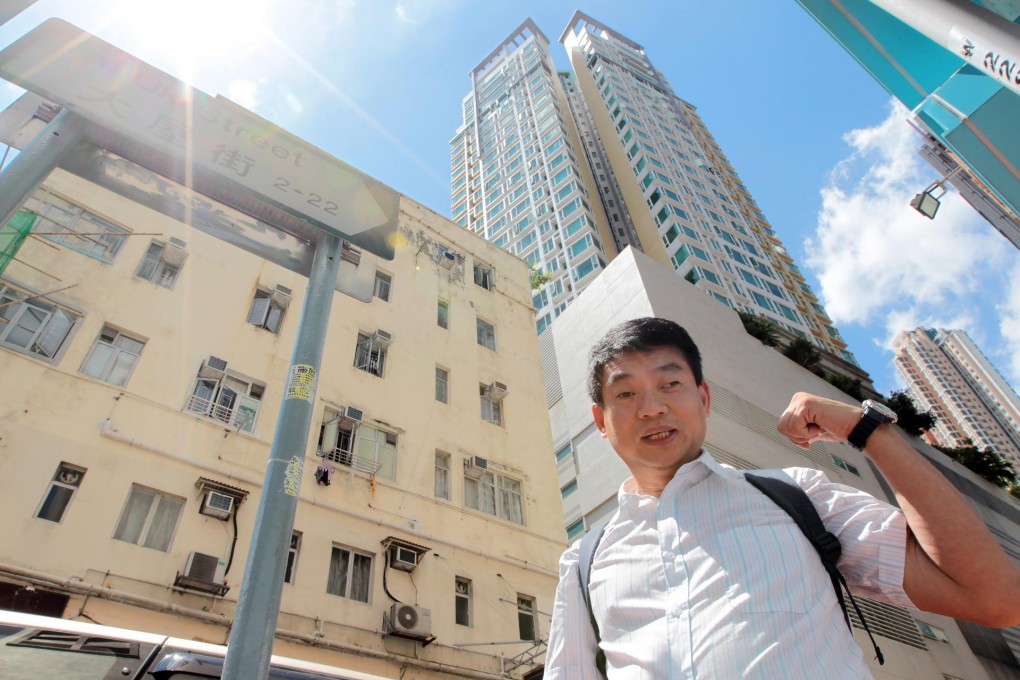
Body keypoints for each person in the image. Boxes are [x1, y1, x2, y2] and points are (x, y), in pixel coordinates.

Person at [545, 317, 1020, 679]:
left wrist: (866, 430)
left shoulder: (798, 497)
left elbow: (996, 599)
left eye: (671, 384)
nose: (652, 407)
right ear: (601, 420)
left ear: (704, 398)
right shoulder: (584, 562)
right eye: (625, 395)